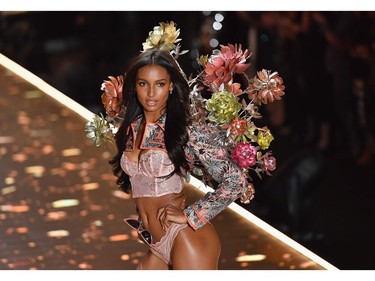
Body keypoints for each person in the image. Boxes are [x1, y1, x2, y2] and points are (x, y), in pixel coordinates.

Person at [85, 21, 284, 270]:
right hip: (154, 244)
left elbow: (235, 181)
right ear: (134, 86)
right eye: (143, 83)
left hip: (187, 237)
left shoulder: (184, 130)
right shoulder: (131, 129)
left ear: (170, 87)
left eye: (159, 84)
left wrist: (192, 214)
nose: (150, 93)